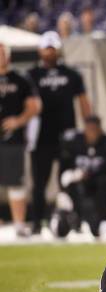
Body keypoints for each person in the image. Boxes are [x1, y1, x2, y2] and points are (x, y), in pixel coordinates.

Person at [28, 31, 91, 234]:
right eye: (46, 48)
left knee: (70, 180)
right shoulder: (31, 75)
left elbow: (83, 102)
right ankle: (37, 222)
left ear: (58, 50)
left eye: (53, 48)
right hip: (41, 136)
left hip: (68, 137)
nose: (50, 52)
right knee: (40, 182)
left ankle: (76, 221)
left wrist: (87, 128)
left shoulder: (72, 73)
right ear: (40, 50)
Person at [55, 115, 106, 238]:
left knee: (105, 183)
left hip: (100, 181)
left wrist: (89, 174)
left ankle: (104, 220)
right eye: (89, 128)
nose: (92, 132)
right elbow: (63, 168)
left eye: (95, 129)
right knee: (70, 184)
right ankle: (76, 222)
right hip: (78, 179)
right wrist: (72, 178)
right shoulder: (73, 141)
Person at [0, 43, 40, 237]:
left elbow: (35, 106)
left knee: (16, 182)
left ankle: (18, 224)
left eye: (3, 53)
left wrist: (18, 121)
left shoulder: (21, 78)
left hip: (13, 139)